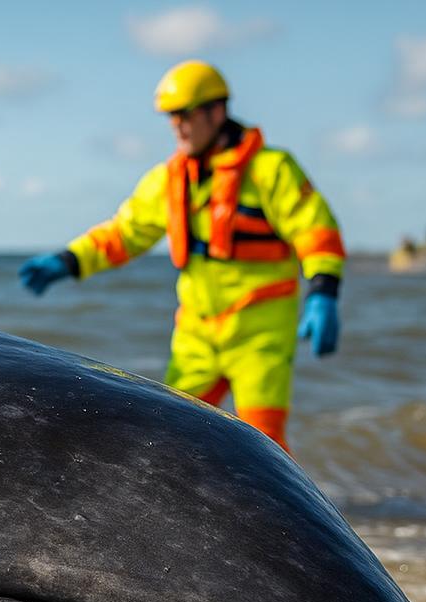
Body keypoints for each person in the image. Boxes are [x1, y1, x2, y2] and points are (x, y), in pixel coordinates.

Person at [18, 61, 345, 453]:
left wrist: (324, 289)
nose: (177, 126)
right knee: (173, 434)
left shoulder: (271, 170)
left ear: (216, 111)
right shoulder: (167, 181)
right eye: (172, 117)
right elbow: (125, 233)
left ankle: (277, 514)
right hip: (196, 334)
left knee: (265, 443)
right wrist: (69, 260)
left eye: (185, 115)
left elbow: (314, 227)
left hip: (259, 334)